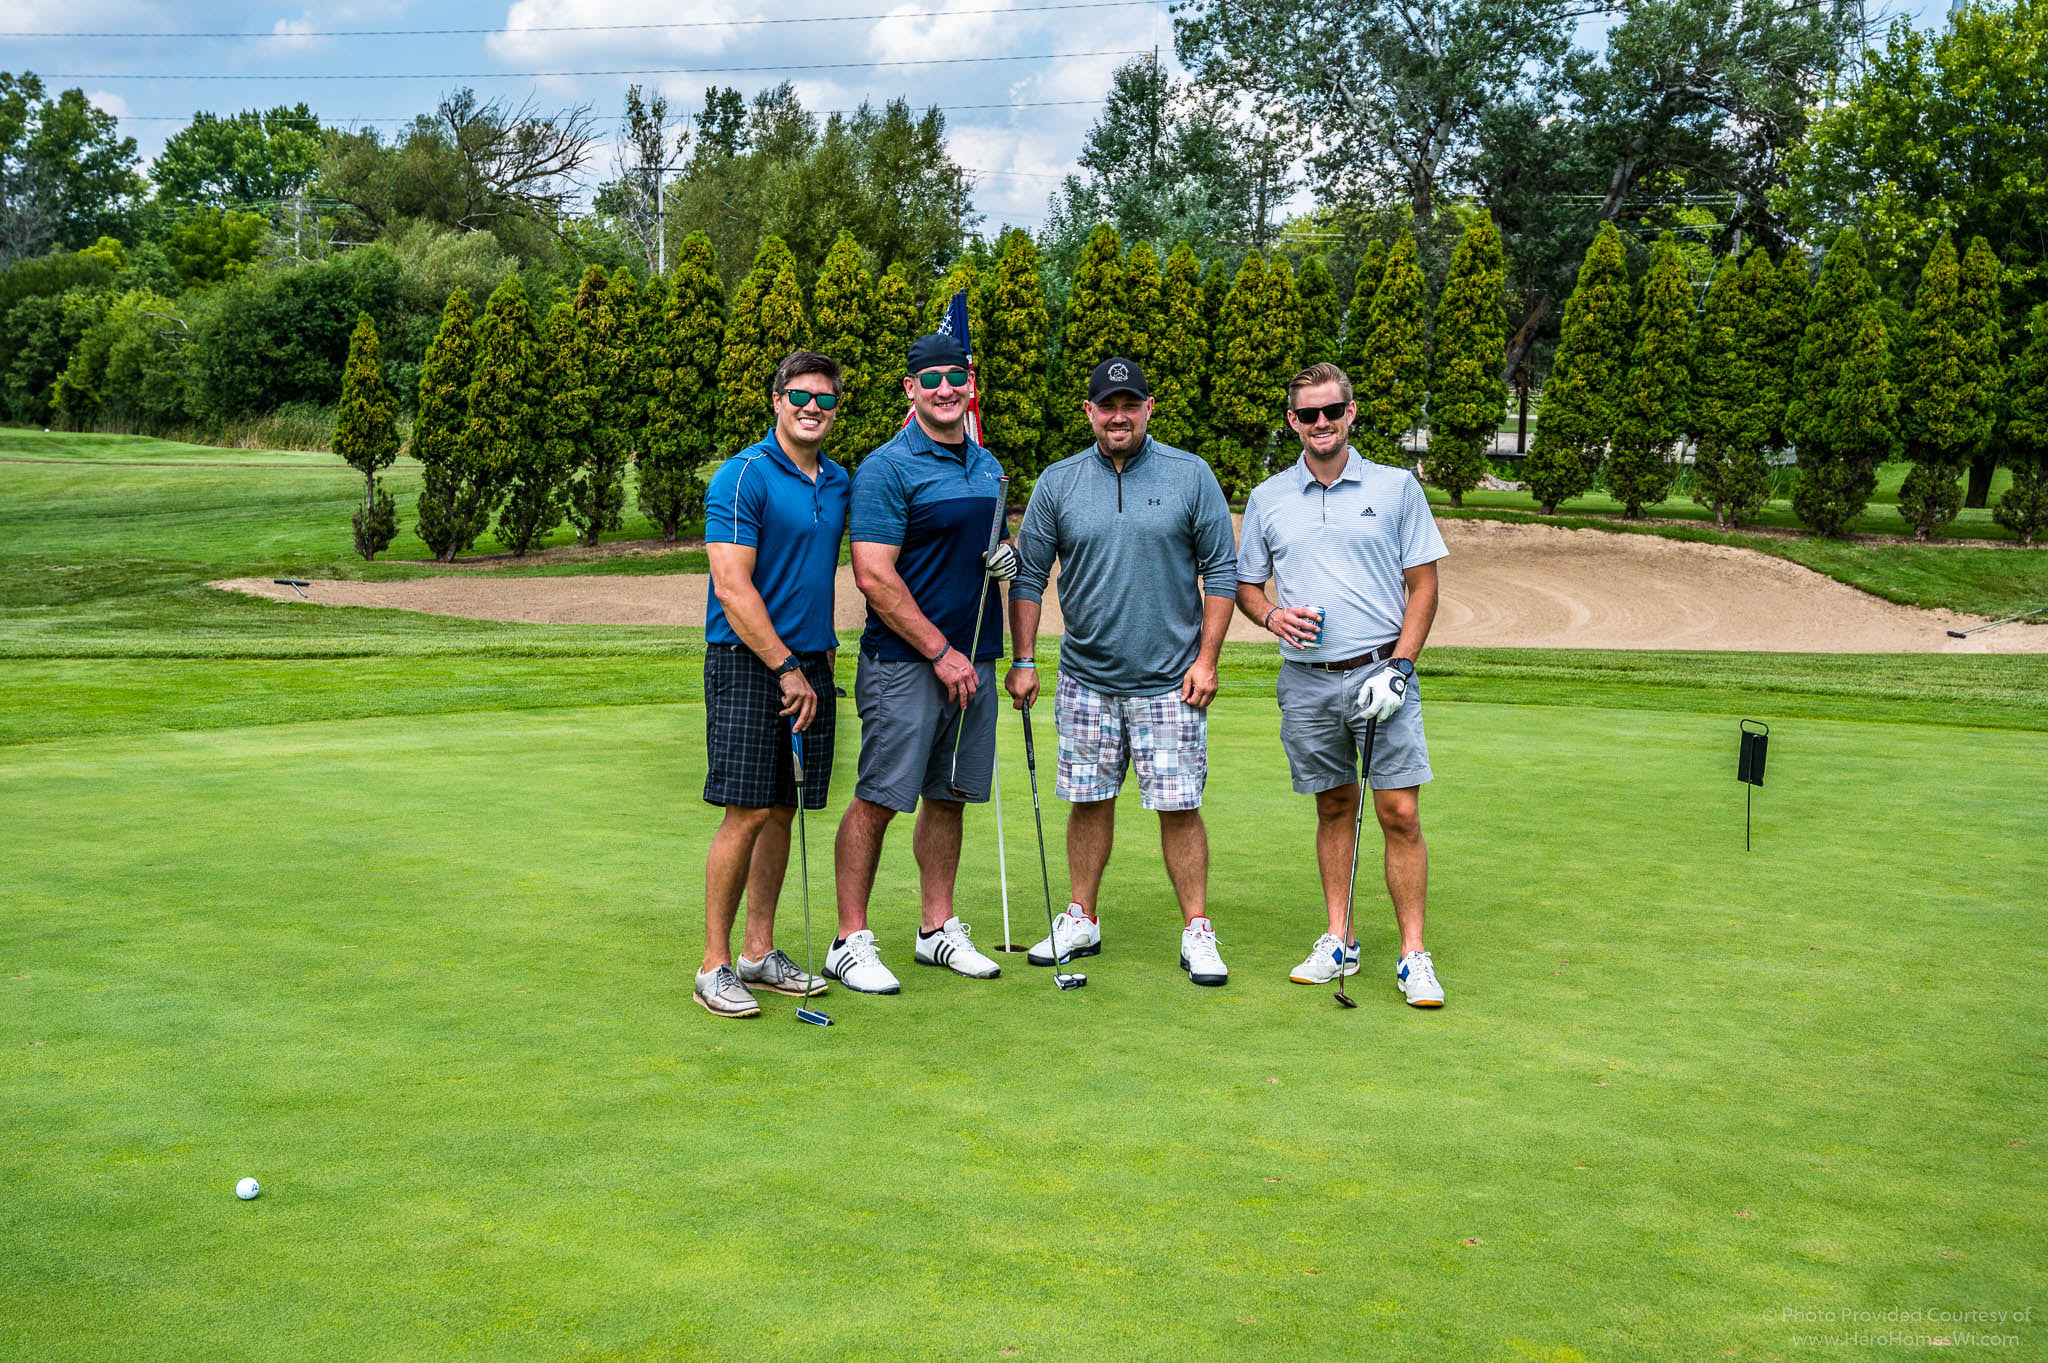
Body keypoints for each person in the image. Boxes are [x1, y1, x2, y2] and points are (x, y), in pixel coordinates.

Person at [1006, 357, 1239, 985]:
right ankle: (1082, 917)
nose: (1118, 416)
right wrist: (1023, 658)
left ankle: (1197, 929)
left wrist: (1208, 660)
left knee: (1179, 806)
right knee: (1088, 801)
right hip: (1086, 678)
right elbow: (1028, 577)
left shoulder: (1190, 475)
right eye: (1107, 406)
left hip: (1171, 681)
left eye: (1129, 405)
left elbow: (1221, 571)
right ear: (1089, 411)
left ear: (1148, 408)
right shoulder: (1059, 482)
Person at [1234, 361, 1450, 1007]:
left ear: (1351, 412)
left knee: (1399, 812)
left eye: (1332, 410)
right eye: (1309, 414)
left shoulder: (1396, 487)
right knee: (1333, 806)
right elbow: (1247, 587)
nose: (1321, 422)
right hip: (1306, 682)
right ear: (1292, 421)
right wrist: (1272, 615)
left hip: (1383, 671)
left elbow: (1424, 586)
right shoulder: (1269, 497)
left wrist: (1400, 667)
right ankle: (1340, 938)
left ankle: (1413, 954)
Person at [827, 334, 1017, 993]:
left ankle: (936, 928)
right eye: (930, 379)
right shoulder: (887, 468)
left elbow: (995, 546)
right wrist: (940, 652)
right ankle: (848, 940)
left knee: (949, 795)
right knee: (880, 798)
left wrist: (1007, 558)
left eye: (955, 377)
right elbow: (874, 576)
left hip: (975, 660)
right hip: (906, 664)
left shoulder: (988, 466)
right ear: (910, 389)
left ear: (970, 384)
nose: (944, 389)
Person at [694, 351, 851, 1019]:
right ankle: (714, 965)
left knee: (785, 808)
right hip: (748, 661)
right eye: (800, 395)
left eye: (825, 398)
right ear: (777, 400)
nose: (813, 407)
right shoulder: (743, 475)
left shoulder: (838, 480)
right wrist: (785, 667)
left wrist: (814, 661)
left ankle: (758, 952)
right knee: (748, 810)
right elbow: (732, 589)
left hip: (811, 664)